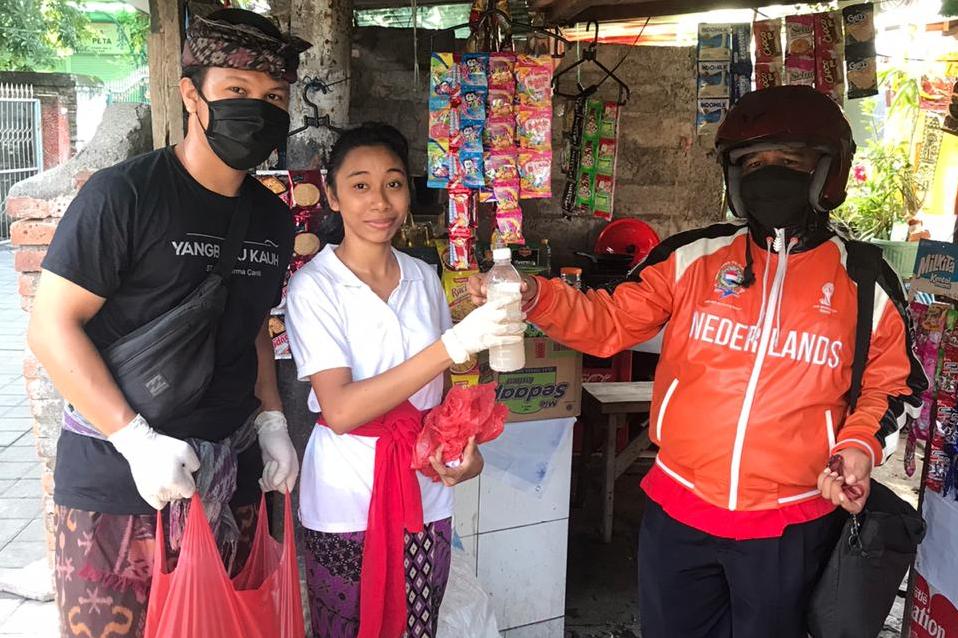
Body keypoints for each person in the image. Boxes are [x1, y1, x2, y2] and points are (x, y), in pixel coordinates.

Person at [468, 85, 927, 637]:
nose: (770, 173)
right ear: (733, 177)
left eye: (791, 160)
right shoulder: (693, 256)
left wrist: (857, 446)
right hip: (678, 512)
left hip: (791, 521)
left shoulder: (865, 278)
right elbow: (610, 322)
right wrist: (537, 297)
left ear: (828, 173)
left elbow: (891, 384)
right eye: (754, 161)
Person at [28, 9, 309, 637]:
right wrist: (137, 441)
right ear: (192, 94)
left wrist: (270, 422)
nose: (256, 109)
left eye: (273, 97)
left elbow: (251, 322)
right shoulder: (123, 195)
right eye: (236, 91)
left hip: (227, 478)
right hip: (118, 483)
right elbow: (52, 328)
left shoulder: (271, 218)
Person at [284, 123, 523, 638]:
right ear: (332, 195)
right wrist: (451, 345)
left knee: (419, 624)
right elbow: (342, 410)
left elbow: (438, 395)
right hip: (346, 495)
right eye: (360, 185)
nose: (380, 202)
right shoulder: (314, 286)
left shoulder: (422, 277)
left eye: (393, 183)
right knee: (347, 627)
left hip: (424, 489)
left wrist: (465, 447)